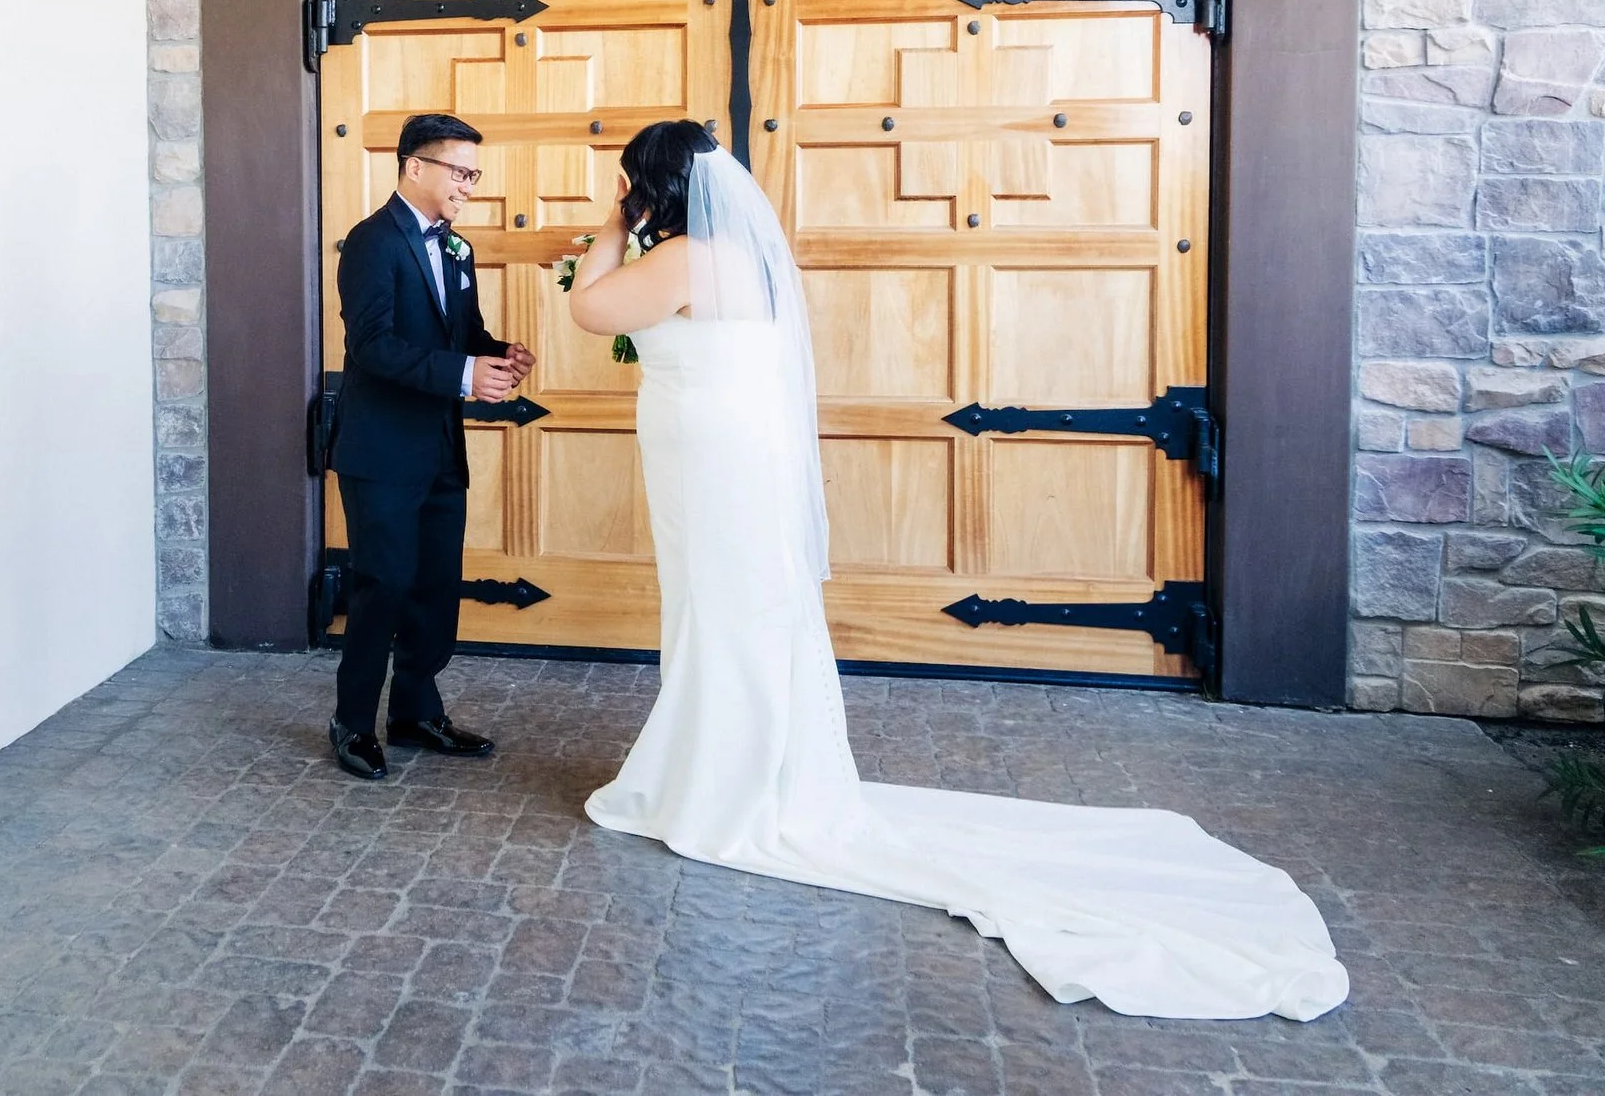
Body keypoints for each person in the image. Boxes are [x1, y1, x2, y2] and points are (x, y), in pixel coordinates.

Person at [562, 119, 1348, 1021]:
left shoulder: (685, 256)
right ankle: (747, 763)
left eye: (633, 180)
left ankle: (726, 782)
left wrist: (612, 227)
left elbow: (591, 309)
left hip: (710, 460)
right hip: (726, 454)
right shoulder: (741, 253)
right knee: (737, 609)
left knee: (720, 612)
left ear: (654, 184)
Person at [324, 113, 535, 782]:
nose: (470, 185)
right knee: (381, 585)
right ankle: (353, 720)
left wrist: (496, 354)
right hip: (381, 450)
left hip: (441, 446)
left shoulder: (457, 249)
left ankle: (414, 710)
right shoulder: (370, 242)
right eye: (461, 171)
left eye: (475, 172)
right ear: (415, 166)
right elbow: (373, 346)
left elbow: (460, 332)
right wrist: (466, 376)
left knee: (434, 587)